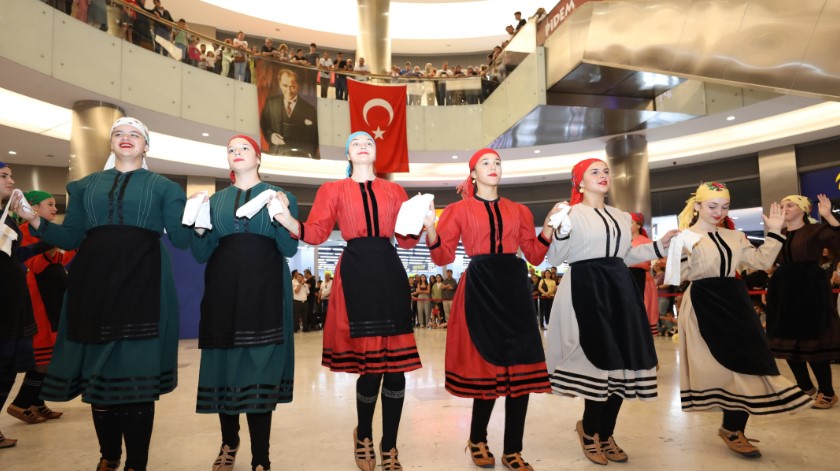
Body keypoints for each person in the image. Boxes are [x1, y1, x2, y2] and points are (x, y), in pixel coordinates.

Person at [11, 118, 191, 471]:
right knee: (100, 381)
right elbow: (71, 237)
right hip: (92, 286)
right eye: (119, 134)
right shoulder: (84, 186)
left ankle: (136, 464)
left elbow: (182, 239)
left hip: (145, 284)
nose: (126, 139)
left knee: (138, 384)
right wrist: (33, 218)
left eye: (134, 135)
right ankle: (109, 457)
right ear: (111, 143)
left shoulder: (165, 187)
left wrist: (197, 218)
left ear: (146, 145)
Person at [273, 132, 421, 471]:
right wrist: (287, 220)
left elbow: (406, 240)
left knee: (396, 370)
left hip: (389, 270)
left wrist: (423, 224)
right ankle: (365, 435)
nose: (364, 145)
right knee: (370, 369)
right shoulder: (332, 190)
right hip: (356, 274)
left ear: (377, 152)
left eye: (369, 142)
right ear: (348, 154)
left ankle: (390, 445)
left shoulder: (395, 191)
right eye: (356, 143)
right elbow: (317, 231)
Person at [424, 148, 562, 471]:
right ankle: (477, 438)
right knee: (487, 367)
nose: (493, 167)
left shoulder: (521, 211)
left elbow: (534, 255)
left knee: (522, 370)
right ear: (472, 174)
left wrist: (548, 230)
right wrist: (431, 227)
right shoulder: (459, 210)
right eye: (485, 163)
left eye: (498, 162)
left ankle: (513, 449)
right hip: (481, 286)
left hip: (514, 286)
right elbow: (443, 256)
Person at [545, 158, 677, 465]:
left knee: (624, 361)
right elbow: (554, 258)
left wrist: (660, 246)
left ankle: (606, 434)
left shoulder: (620, 216)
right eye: (595, 172)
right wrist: (558, 231)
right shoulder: (570, 213)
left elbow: (627, 254)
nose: (603, 175)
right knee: (598, 359)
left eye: (606, 171)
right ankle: (590, 431)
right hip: (586, 289)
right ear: (579, 181)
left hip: (619, 288)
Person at [674, 183, 812, 458]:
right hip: (702, 302)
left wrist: (774, 232)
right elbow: (675, 276)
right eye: (712, 206)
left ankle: (733, 427)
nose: (718, 211)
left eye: (724, 206)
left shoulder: (735, 236)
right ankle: (733, 429)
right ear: (698, 206)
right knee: (720, 367)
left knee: (751, 363)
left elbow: (760, 262)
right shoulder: (684, 236)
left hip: (734, 301)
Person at [189, 135, 298, 471]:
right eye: (231, 150)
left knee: (259, 370)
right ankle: (229, 441)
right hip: (223, 293)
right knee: (224, 369)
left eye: (244, 148)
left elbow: (290, 249)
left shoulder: (281, 195)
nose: (237, 153)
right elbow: (201, 254)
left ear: (258, 157)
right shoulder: (214, 201)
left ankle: (261, 457)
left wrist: (281, 216)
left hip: (265, 291)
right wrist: (197, 227)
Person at [765, 194, 840, 409]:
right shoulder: (780, 233)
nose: (784, 207)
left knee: (812, 340)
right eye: (782, 205)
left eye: (790, 205)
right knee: (786, 339)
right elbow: (768, 258)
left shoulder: (815, 230)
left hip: (810, 288)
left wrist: (828, 216)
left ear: (804, 210)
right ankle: (805, 386)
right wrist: (772, 231)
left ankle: (827, 392)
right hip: (784, 288)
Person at [6, 191, 73, 425]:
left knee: (51, 356)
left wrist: (69, 245)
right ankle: (21, 403)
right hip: (37, 301)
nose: (55, 209)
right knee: (43, 358)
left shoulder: (49, 232)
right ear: (33, 208)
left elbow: (60, 259)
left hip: (52, 300)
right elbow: (28, 263)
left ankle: (37, 402)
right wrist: (51, 247)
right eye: (50, 204)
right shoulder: (23, 232)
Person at [0, 163, 50, 448]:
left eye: (10, 175)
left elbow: (18, 256)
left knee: (7, 371)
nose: (11, 180)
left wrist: (43, 234)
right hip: (3, 308)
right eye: (4, 176)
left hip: (14, 307)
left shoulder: (7, 221)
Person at [259, 68, 319, 158]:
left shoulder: (310, 110)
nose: (288, 90)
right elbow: (264, 124)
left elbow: (315, 138)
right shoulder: (270, 103)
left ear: (298, 86)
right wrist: (271, 136)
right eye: (285, 85)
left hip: (301, 157)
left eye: (292, 86)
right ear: (280, 84)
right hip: (276, 154)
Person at [628, 212, 659, 335]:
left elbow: (648, 261)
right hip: (625, 278)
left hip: (641, 278)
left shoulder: (646, 241)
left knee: (642, 307)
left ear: (639, 225)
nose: (627, 225)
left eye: (631, 222)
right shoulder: (622, 240)